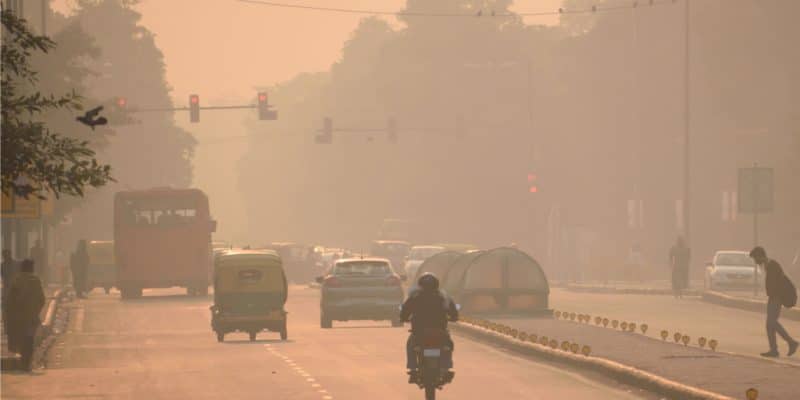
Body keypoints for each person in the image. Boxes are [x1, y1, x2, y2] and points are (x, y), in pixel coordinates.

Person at [400, 273, 459, 384]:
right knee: (448, 346)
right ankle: (446, 368)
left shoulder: (414, 296)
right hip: (440, 331)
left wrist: (403, 318)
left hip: (419, 332)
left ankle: (413, 369)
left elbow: (405, 311)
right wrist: (453, 318)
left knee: (411, 345)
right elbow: (454, 313)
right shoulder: (444, 297)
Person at [750, 246, 798, 358]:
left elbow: (777, 284)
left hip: (776, 298)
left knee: (771, 322)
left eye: (755, 258)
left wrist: (774, 296)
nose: (755, 262)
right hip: (774, 297)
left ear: (760, 256)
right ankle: (774, 350)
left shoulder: (772, 265)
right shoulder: (769, 265)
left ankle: (791, 342)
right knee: (769, 324)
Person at [4, 259, 46, 371]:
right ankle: (27, 361)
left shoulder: (16, 280)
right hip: (31, 316)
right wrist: (35, 311)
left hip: (18, 317)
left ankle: (24, 361)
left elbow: (10, 300)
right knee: (29, 338)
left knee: (21, 338)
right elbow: (42, 299)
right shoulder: (35, 280)